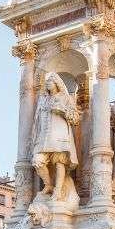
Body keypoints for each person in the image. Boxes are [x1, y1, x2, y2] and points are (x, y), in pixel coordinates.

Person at [30, 73, 80, 201]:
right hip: (43, 137)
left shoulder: (65, 98)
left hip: (59, 135)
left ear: (57, 83)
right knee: (37, 161)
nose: (47, 83)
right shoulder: (43, 99)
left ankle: (58, 190)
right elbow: (37, 119)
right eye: (46, 81)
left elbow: (75, 118)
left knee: (59, 162)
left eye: (50, 81)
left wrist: (62, 111)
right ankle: (48, 185)